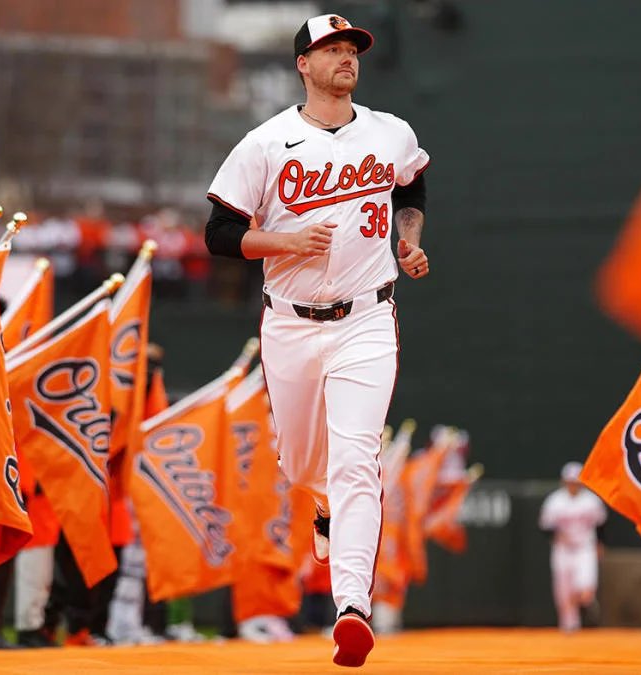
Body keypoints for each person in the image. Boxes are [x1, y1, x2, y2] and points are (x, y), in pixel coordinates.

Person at [204, 12, 430, 668]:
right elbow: (219, 234)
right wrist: (284, 240)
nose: (346, 58)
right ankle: (323, 507)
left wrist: (408, 238)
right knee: (301, 465)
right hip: (290, 322)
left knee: (358, 458)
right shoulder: (267, 143)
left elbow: (411, 182)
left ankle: (351, 606)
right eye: (331, 48)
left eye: (351, 48)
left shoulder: (391, 132)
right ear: (303, 64)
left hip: (367, 317)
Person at [539, 462, 607, 633]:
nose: (573, 485)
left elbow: (601, 524)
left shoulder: (591, 501)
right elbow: (545, 526)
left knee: (585, 587)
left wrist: (600, 543)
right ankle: (570, 625)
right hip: (563, 548)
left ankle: (587, 603)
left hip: (585, 546)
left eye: (576, 482)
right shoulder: (555, 501)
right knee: (563, 589)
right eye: (570, 481)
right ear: (564, 482)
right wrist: (555, 535)